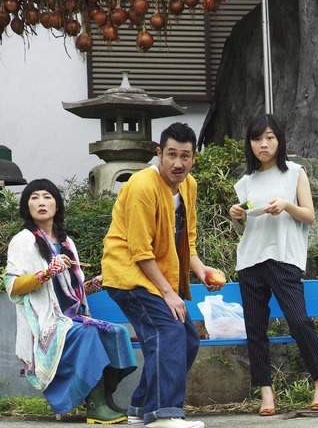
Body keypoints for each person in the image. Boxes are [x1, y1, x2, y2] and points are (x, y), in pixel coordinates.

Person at [101, 122, 223, 428]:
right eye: (172, 154)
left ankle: (142, 407)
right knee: (169, 331)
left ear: (193, 158)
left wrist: (200, 269)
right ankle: (164, 414)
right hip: (128, 276)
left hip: (155, 278)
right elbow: (140, 251)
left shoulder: (189, 186)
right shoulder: (142, 185)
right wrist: (169, 293)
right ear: (159, 154)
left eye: (185, 156)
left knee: (188, 340)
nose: (178, 163)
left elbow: (187, 240)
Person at [2, 178, 136, 424]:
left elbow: (70, 292)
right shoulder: (23, 240)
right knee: (89, 333)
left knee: (116, 333)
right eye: (34, 198)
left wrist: (96, 284)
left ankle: (106, 398)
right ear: (27, 206)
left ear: (57, 205)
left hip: (72, 317)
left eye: (47, 197)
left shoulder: (66, 243)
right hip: (46, 323)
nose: (41, 202)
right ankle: (94, 404)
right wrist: (47, 272)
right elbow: (12, 286)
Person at [229, 114, 318, 416]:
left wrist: (286, 206)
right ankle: (266, 393)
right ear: (250, 144)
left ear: (279, 140)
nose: (263, 144)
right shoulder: (246, 182)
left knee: (299, 321)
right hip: (250, 261)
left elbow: (310, 215)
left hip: (284, 258)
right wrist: (237, 218)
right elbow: (243, 230)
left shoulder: (295, 173)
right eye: (257, 139)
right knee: (255, 329)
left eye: (269, 137)